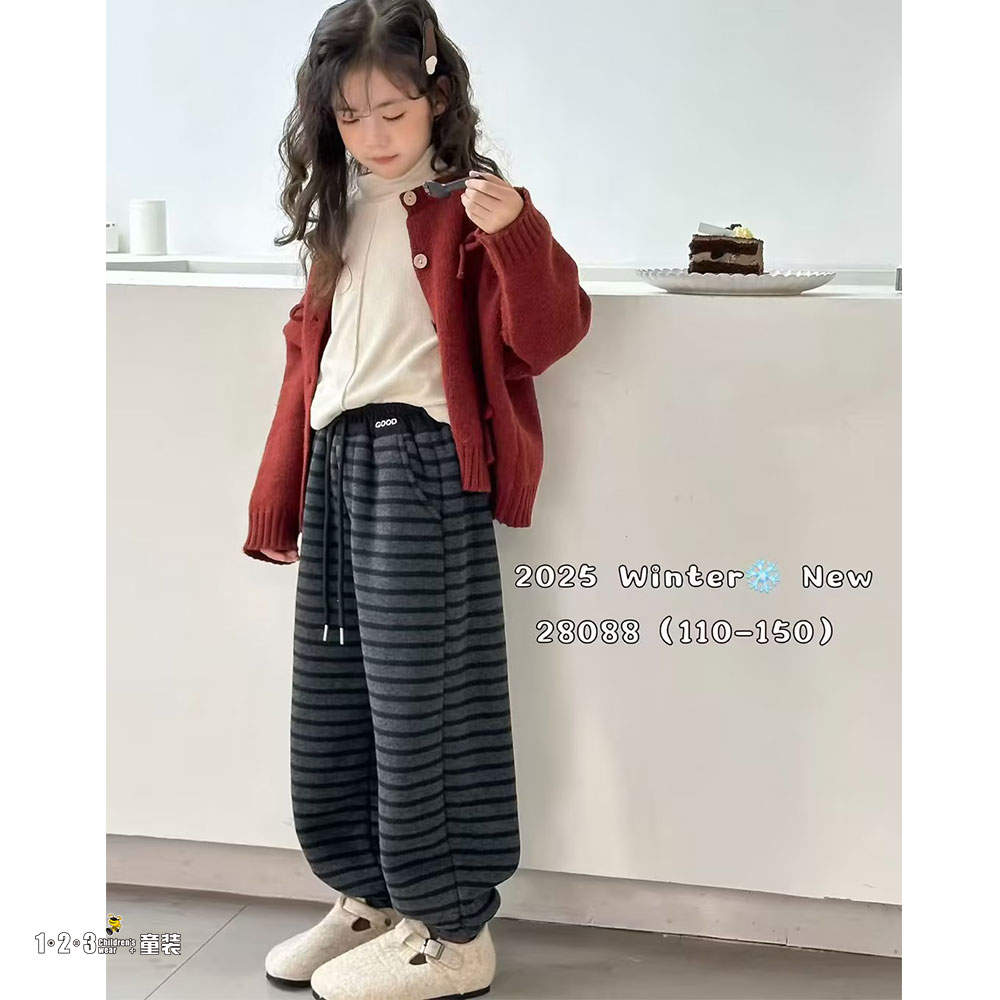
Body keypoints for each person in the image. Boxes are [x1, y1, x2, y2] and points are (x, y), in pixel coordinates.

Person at [243, 2, 591, 998]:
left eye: (392, 111)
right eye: (350, 116)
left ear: (437, 98)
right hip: (341, 465)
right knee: (335, 699)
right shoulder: (341, 210)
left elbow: (551, 334)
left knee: (424, 707)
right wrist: (279, 497)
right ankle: (371, 898)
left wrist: (518, 234)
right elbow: (310, 370)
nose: (373, 135)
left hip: (421, 467)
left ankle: (452, 925)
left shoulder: (473, 207)